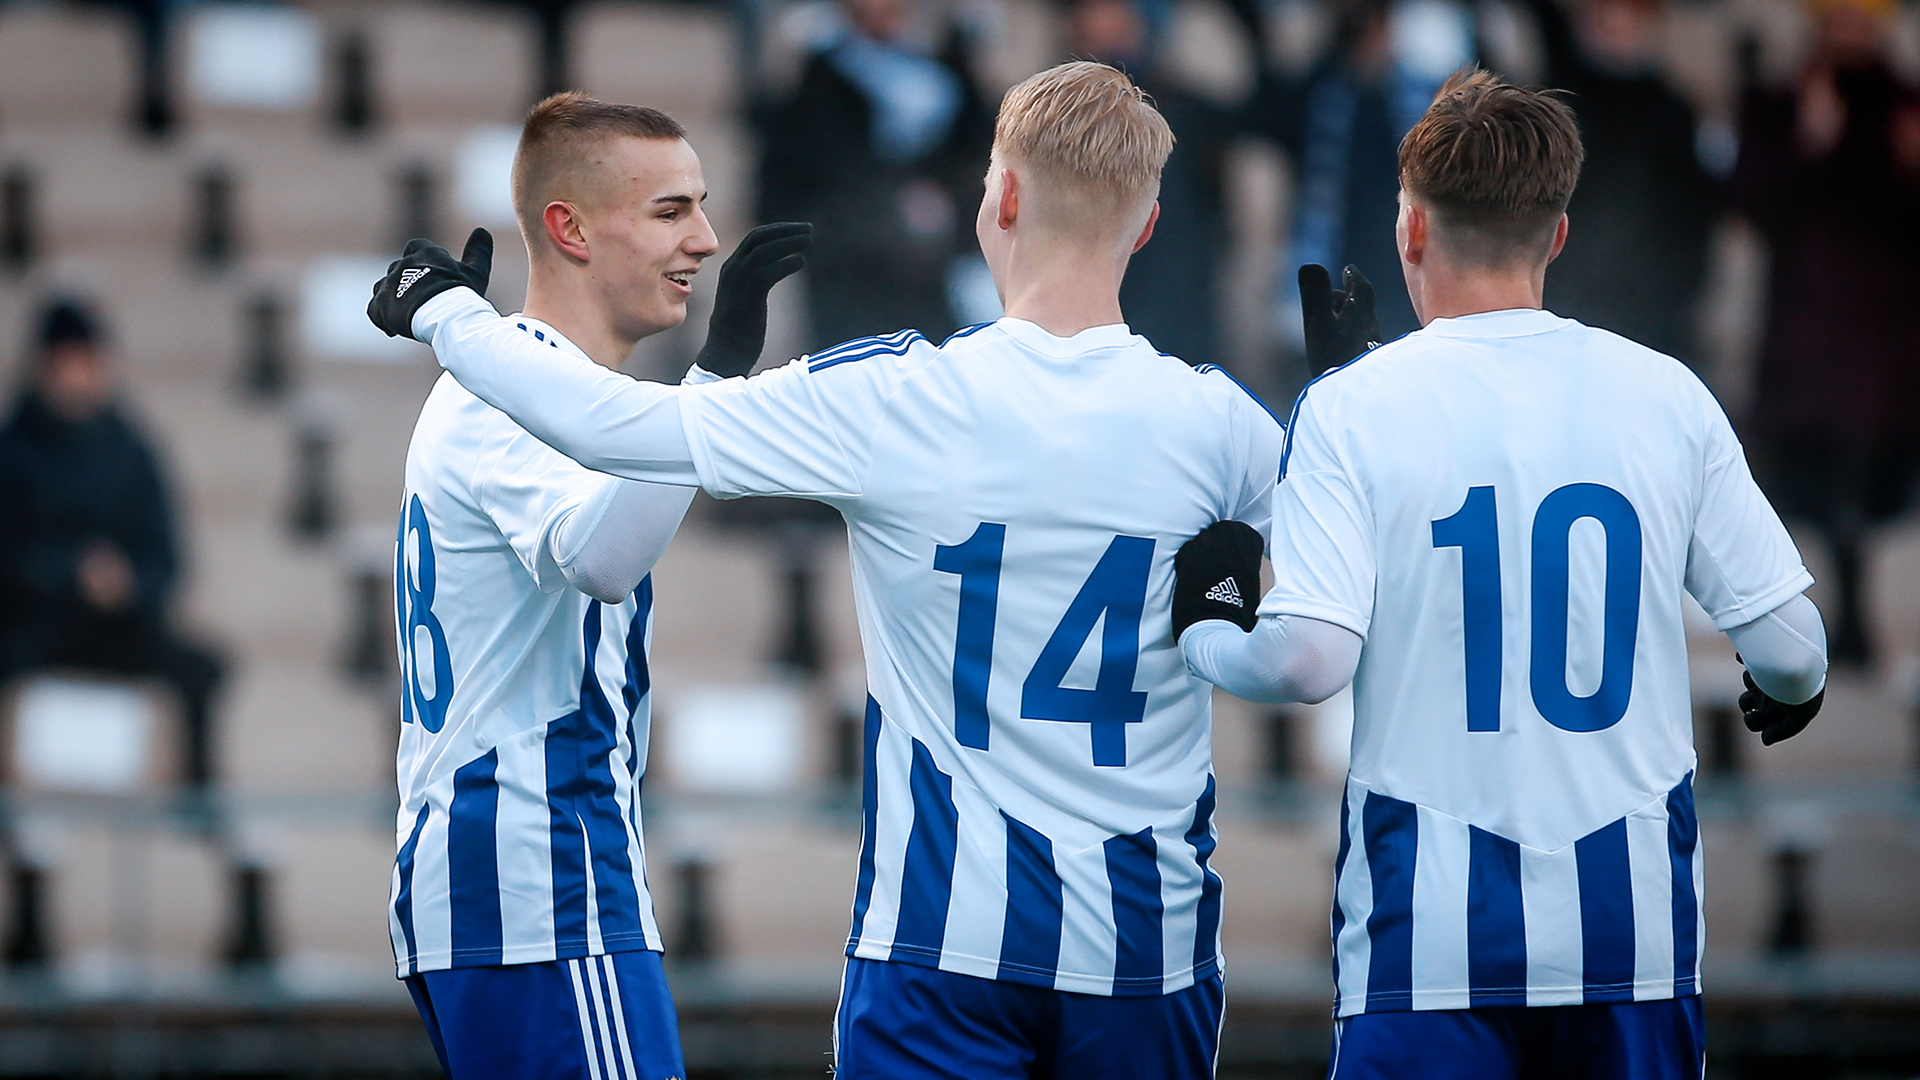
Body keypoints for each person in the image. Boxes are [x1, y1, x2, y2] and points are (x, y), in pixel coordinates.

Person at [372, 62, 1286, 1079]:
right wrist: (1235, 593)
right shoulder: (1224, 423)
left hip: (932, 939)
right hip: (1143, 942)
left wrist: (449, 317)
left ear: (1001, 199)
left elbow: (617, 440)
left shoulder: (896, 392)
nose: (704, 239)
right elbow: (1319, 636)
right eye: (672, 211)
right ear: (1149, 225)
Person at [1172, 70, 1828, 1078]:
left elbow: (1307, 661)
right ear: (1556, 235)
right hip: (1629, 936)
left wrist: (1207, 628)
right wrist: (1792, 687)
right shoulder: (1668, 395)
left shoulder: (1352, 406)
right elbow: (1790, 650)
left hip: (1429, 937)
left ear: (1411, 230)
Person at [365, 92, 809, 1080]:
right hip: (538, 880)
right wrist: (714, 382)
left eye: (702, 207)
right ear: (568, 229)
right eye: (669, 211)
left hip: (504, 882)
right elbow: (603, 558)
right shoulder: (510, 390)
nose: (704, 240)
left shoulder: (531, 386)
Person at [1728, 0, 1920, 667]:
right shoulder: (1782, 102)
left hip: (1891, 338)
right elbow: (1751, 204)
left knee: (1874, 476)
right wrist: (1809, 142)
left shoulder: (1905, 107)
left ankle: (1857, 612)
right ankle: (1809, 615)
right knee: (1805, 481)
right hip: (1807, 333)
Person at [0, 298, 225, 789]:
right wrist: (69, 574)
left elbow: (166, 559)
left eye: (87, 363)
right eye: (66, 364)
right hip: (33, 622)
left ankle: (197, 803)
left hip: (117, 625)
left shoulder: (131, 451)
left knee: (203, 669)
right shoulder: (11, 450)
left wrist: (126, 583)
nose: (77, 378)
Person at [755, 0, 994, 349]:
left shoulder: (937, 62)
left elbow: (973, 142)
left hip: (933, 249)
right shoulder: (821, 71)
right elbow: (811, 158)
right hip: (851, 247)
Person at [1526, 0, 1717, 365]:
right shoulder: (1552, 108)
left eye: (1628, 24)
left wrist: (1679, 296)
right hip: (1562, 299)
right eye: (1605, 24)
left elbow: (1692, 217)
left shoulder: (1673, 113)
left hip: (1649, 309)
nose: (1616, 37)